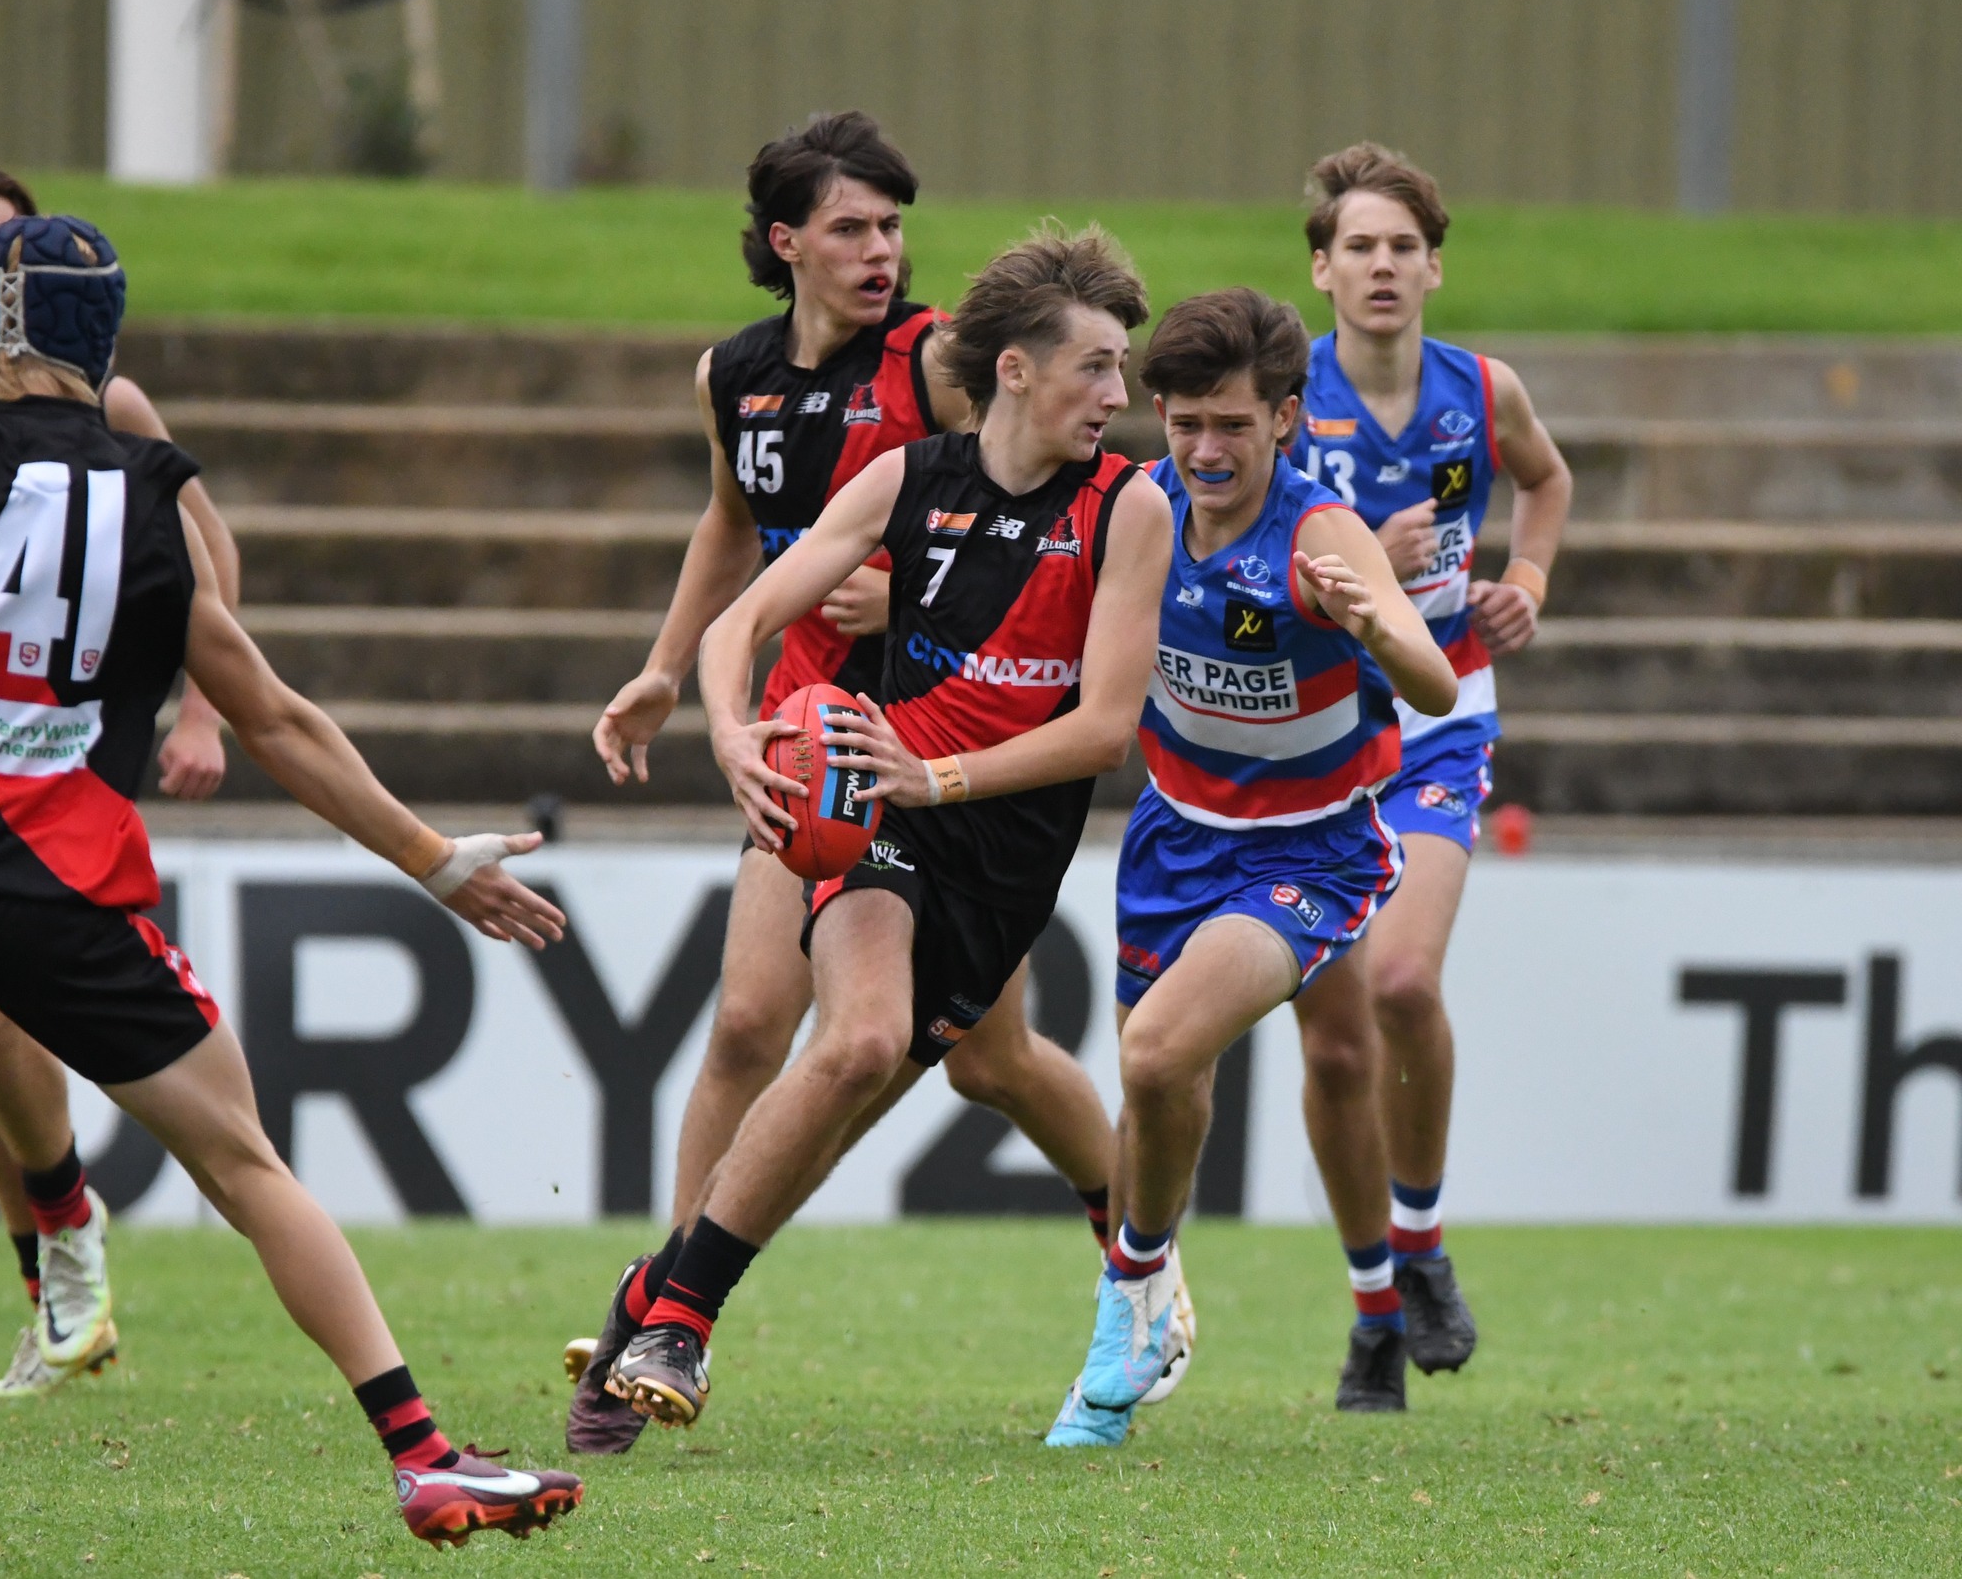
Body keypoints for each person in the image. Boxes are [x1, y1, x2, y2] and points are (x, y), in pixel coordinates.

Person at [0, 213, 581, 1546]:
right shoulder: (150, 496)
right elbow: (275, 718)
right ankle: (422, 1449)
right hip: (69, 897)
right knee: (246, 1162)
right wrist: (437, 861)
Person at [571, 116, 1162, 1454]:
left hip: (972, 785)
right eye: (853, 226)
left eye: (894, 224)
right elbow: (737, 531)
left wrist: (915, 594)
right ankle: (665, 1313)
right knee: (772, 1026)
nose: (883, 250)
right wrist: (693, 689)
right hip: (838, 752)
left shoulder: (950, 368)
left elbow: (1034, 599)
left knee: (990, 1058)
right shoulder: (740, 377)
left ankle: (1142, 1243)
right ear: (786, 244)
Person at [1041, 288, 1455, 1445]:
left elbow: (1426, 682)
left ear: (1284, 419)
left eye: (1233, 425)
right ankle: (1146, 1293)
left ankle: (1129, 1308)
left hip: (1309, 849)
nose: (1207, 450)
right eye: (1184, 424)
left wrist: (1373, 626)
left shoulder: (1319, 534)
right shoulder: (1140, 509)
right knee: (1158, 1087)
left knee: (1162, 1046)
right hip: (1174, 835)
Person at [0, 159, 245, 1397]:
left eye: (8, 251)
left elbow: (208, 561)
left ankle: (63, 1239)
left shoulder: (108, 402)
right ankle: (55, 1262)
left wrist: (202, 709)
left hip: (54, 750)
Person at [1290, 143, 1572, 1374]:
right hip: (1314, 733)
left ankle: (1420, 1246)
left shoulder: (1479, 387)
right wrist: (1364, 569)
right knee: (1334, 1041)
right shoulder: (1282, 401)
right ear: (1319, 269)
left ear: (1434, 266)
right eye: (1359, 245)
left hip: (1439, 717)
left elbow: (1545, 479)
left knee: (1402, 986)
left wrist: (1524, 577)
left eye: (1402, 245)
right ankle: (1368, 1318)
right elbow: (1244, 560)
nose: (1382, 266)